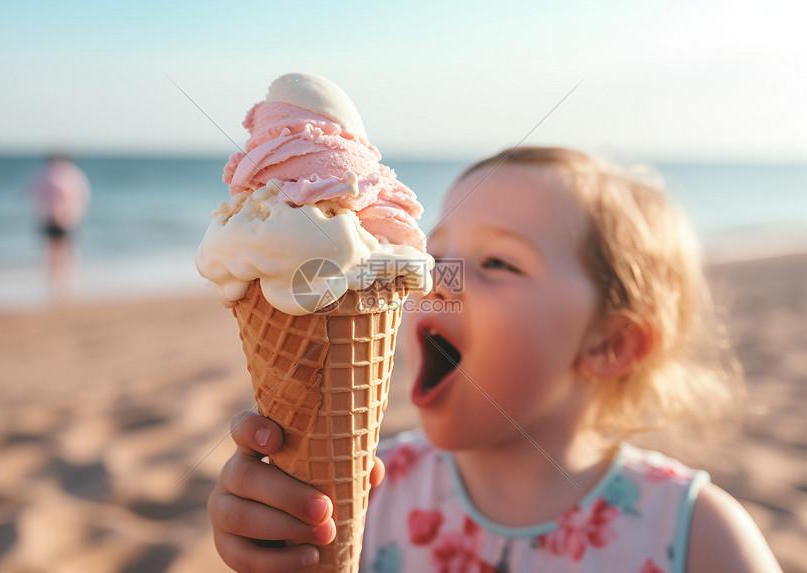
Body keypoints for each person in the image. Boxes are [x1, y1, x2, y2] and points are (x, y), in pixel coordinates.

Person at [207, 147, 782, 572]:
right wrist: (278, 548)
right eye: (432, 254)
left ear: (610, 344)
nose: (435, 281)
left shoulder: (701, 538)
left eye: (499, 263)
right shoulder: (364, 495)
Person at [28, 154, 91, 300]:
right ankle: (57, 282)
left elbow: (78, 196)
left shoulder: (66, 174)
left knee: (63, 250)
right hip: (52, 217)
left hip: (64, 218)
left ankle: (65, 282)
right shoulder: (60, 173)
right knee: (54, 250)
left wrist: (71, 214)